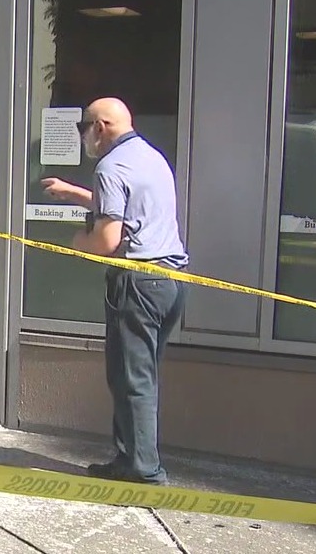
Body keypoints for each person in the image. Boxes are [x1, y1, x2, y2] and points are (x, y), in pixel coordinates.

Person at [40, 97, 188, 485]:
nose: (83, 137)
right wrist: (75, 193)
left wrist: (76, 241)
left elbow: (106, 239)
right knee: (140, 376)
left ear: (100, 128)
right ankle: (129, 459)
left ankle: (143, 470)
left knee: (130, 380)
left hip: (136, 285)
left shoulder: (109, 165)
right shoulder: (150, 157)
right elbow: (126, 208)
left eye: (83, 128)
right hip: (168, 283)